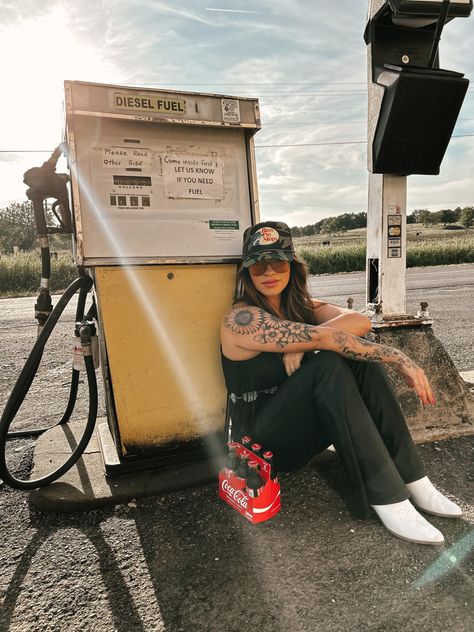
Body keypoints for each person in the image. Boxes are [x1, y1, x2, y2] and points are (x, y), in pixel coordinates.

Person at [220, 221, 462, 545]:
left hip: (302, 428)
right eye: (258, 265)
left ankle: (413, 478)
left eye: (277, 262)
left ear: (292, 266)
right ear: (246, 272)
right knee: (329, 362)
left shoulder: (299, 307)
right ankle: (386, 496)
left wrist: (303, 345)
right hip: (261, 444)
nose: (268, 272)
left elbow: (360, 321)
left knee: (354, 358)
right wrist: (398, 357)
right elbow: (326, 337)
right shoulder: (241, 320)